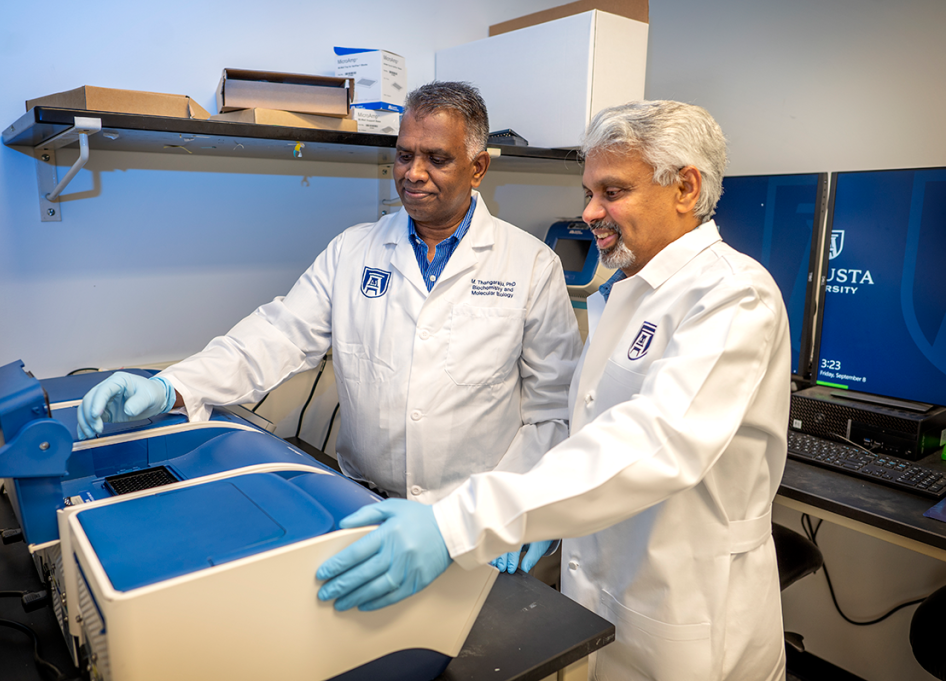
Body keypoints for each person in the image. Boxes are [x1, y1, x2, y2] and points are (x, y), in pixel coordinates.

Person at [316, 99, 790, 681]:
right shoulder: (627, 291)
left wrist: (464, 520)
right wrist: (542, 520)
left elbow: (654, 443)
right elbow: (581, 428)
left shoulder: (732, 296)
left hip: (687, 610)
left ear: (686, 188)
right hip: (601, 589)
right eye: (588, 192)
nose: (589, 212)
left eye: (611, 192)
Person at [76, 82, 581, 572]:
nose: (414, 173)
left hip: (473, 526)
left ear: (478, 168)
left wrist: (512, 511)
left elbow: (552, 412)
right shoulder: (353, 250)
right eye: (405, 155)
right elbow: (276, 335)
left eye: (437, 158)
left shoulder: (530, 265)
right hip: (361, 508)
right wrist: (172, 386)